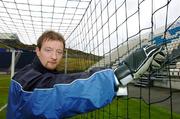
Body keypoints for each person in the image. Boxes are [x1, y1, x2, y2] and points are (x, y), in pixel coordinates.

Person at [6, 30, 166, 119]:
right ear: (37, 51)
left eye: (59, 52)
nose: (54, 56)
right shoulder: (25, 79)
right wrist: (118, 76)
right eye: (48, 50)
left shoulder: (47, 74)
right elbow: (57, 94)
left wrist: (121, 85)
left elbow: (63, 82)